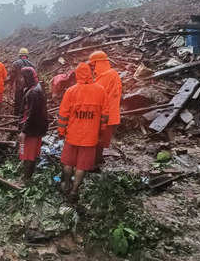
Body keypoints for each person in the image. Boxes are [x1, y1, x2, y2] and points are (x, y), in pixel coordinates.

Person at [57, 63, 109, 202]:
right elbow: (105, 115)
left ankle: (66, 183)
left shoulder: (71, 91)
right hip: (90, 137)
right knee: (81, 166)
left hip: (72, 135)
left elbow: (63, 114)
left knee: (68, 163)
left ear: (77, 74)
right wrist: (101, 131)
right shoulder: (101, 90)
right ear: (90, 73)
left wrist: (61, 131)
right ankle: (74, 190)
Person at [88, 50, 122, 168]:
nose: (92, 68)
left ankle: (94, 163)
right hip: (105, 113)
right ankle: (98, 160)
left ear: (100, 63)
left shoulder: (110, 76)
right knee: (99, 138)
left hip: (105, 114)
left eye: (93, 65)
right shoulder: (104, 76)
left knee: (98, 139)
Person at [18, 67, 48, 182]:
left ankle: (25, 179)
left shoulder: (34, 92)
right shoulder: (36, 88)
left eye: (22, 77)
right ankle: (28, 175)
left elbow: (32, 114)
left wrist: (24, 131)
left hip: (32, 129)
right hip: (36, 127)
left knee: (28, 154)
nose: (20, 80)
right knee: (31, 153)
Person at [9, 48, 36, 116]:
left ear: (19, 55)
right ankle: (27, 115)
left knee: (18, 101)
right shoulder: (31, 64)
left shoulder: (15, 63)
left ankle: (17, 116)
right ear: (27, 55)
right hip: (30, 87)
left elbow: (12, 75)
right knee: (28, 101)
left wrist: (11, 84)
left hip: (19, 86)